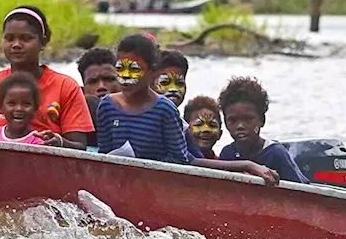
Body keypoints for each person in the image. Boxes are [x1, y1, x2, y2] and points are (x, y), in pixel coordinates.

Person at [97, 34, 280, 184]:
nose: (126, 76)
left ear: (152, 71)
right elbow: (103, 158)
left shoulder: (164, 110)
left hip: (157, 186)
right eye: (120, 68)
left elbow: (183, 162)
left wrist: (246, 165)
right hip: (119, 184)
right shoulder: (107, 106)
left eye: (135, 69)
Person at [0, 5, 93, 149]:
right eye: (9, 38)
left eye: (26, 39)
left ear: (43, 41)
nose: (16, 45)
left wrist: (59, 142)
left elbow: (80, 148)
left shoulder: (66, 86)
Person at [216, 77, 308, 183]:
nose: (240, 126)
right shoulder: (228, 154)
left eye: (247, 119)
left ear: (262, 120)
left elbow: (299, 192)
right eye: (232, 120)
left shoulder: (275, 153)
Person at [0, 71, 65, 146]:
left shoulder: (38, 142)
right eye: (12, 103)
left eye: (26, 104)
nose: (19, 108)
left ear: (35, 109)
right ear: (1, 107)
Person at [183, 95, 222, 160]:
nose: (206, 130)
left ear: (220, 133)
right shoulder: (176, 159)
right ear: (185, 130)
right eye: (198, 124)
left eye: (212, 125)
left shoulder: (223, 164)